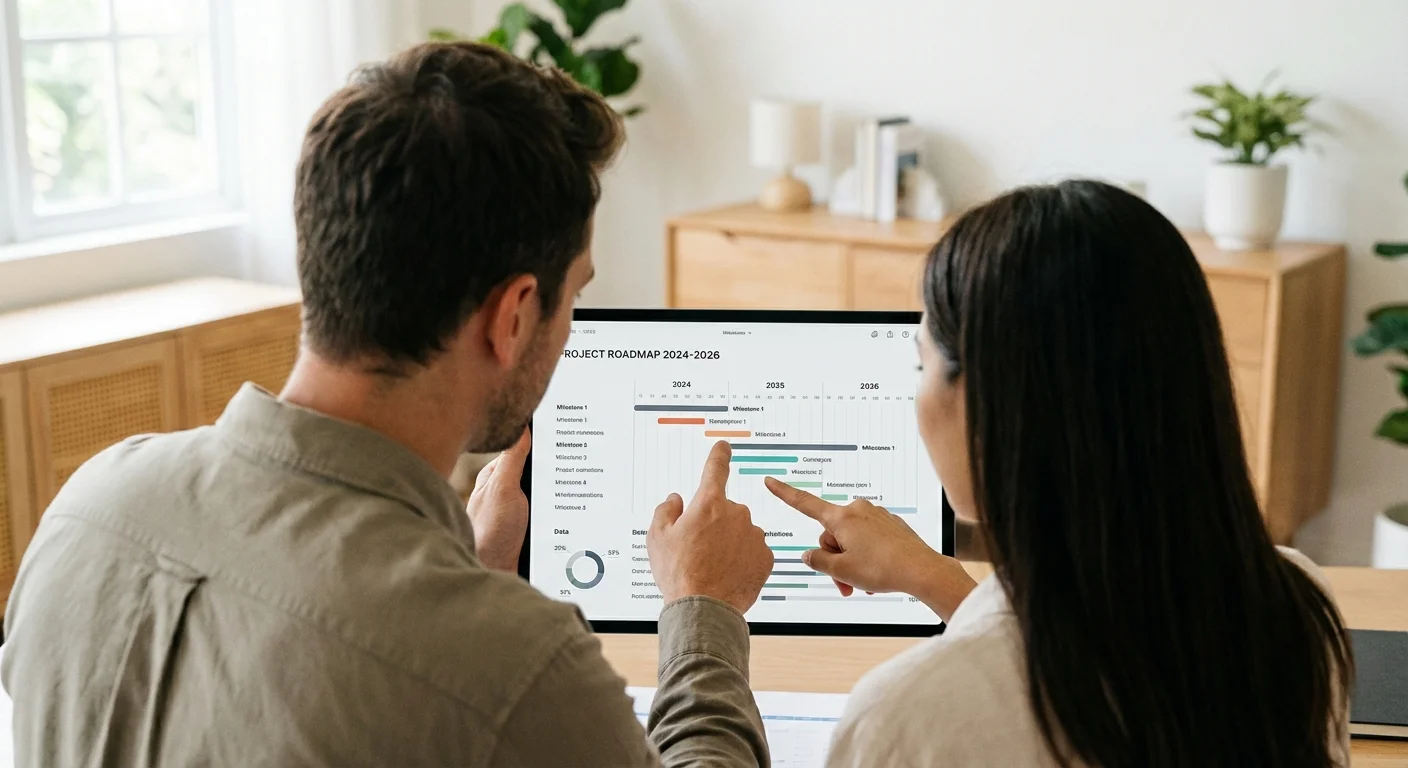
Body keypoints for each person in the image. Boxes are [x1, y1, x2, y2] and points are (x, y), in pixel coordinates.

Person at [2, 42, 775, 767]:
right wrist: (703, 607)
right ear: (512, 318)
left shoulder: (89, 507)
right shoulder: (515, 666)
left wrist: (467, 577)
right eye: (576, 294)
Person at [765, 180, 1354, 767]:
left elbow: (1002, 684)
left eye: (922, 362)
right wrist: (933, 578)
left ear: (992, 401)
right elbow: (1080, 654)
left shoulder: (908, 719)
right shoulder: (1296, 608)